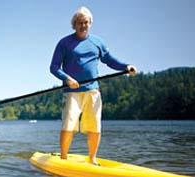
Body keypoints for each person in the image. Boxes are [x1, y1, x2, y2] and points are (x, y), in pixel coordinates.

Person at [50, 6, 136, 165]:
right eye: (79, 23)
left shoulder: (98, 42)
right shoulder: (64, 43)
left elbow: (110, 60)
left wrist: (126, 66)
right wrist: (67, 79)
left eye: (86, 22)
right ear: (74, 24)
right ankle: (63, 157)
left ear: (90, 23)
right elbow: (54, 67)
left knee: (95, 126)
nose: (83, 26)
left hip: (93, 91)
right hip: (72, 92)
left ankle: (92, 158)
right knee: (68, 125)